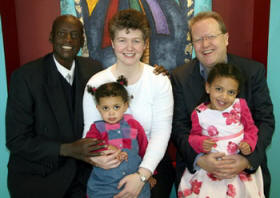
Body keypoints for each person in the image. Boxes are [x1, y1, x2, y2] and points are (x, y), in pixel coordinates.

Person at [170, 11, 274, 198]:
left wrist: (246, 160)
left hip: (245, 173)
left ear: (226, 38)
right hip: (198, 176)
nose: (205, 44)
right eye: (198, 39)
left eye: (211, 36)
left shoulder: (252, 71)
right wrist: (200, 160)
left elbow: (265, 121)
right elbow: (179, 127)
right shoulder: (180, 77)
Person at [5, 15, 105, 198]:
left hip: (85, 179)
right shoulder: (26, 77)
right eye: (62, 34)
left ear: (82, 41)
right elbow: (16, 140)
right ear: (51, 37)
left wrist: (154, 74)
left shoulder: (94, 70)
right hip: (40, 179)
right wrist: (66, 149)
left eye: (75, 35)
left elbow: (119, 95)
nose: (68, 40)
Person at [83, 9, 173, 198]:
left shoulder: (159, 80)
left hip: (151, 167)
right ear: (113, 43)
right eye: (123, 40)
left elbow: (161, 133)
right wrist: (99, 159)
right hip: (106, 172)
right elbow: (89, 136)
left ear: (145, 44)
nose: (129, 47)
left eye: (136, 40)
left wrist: (142, 176)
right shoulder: (96, 83)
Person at [178, 63, 264, 198]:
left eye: (231, 92)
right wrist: (200, 142)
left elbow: (251, 129)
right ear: (208, 87)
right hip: (210, 169)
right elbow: (193, 136)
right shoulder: (199, 112)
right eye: (219, 89)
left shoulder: (240, 105)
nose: (224, 96)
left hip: (238, 169)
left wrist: (249, 143)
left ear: (237, 92)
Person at [85, 76, 157, 197]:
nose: (111, 112)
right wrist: (106, 147)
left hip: (136, 184)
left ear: (125, 106)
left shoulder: (134, 125)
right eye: (105, 108)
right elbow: (88, 147)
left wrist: (149, 173)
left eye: (116, 107)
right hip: (105, 187)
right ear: (98, 109)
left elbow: (145, 150)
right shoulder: (96, 128)